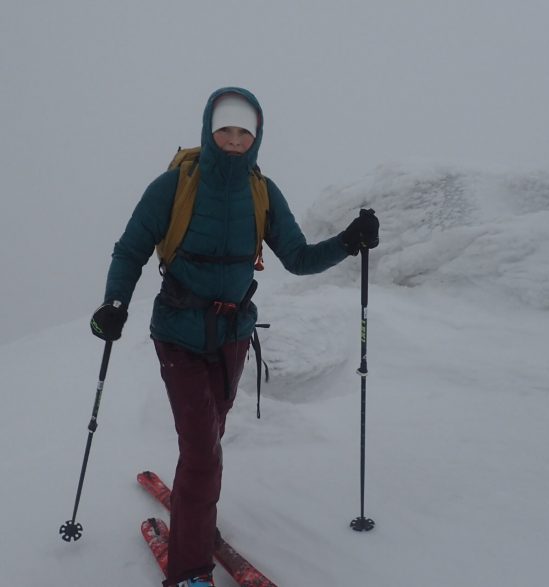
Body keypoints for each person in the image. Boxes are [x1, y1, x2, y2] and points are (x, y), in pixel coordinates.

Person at [90, 87, 379, 587]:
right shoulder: (173, 186)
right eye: (226, 128)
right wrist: (115, 303)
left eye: (244, 131)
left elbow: (299, 258)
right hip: (178, 332)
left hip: (232, 336)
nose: (234, 139)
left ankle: (194, 513)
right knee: (203, 449)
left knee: (209, 438)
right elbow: (130, 248)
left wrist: (349, 242)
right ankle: (189, 571)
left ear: (257, 135)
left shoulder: (262, 191)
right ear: (209, 128)